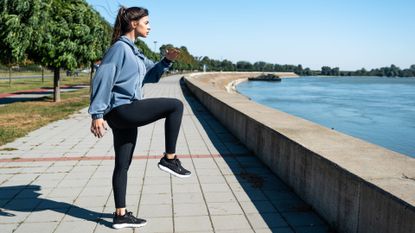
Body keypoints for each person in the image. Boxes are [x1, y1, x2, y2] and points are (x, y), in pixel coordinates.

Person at [88, 6, 191, 229]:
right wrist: (97, 114)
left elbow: (150, 75)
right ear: (134, 24)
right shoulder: (119, 49)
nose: (150, 27)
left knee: (122, 165)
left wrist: (166, 61)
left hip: (124, 113)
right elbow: (103, 78)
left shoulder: (134, 51)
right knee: (175, 106)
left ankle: (120, 215)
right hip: (122, 110)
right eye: (146, 22)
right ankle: (169, 159)